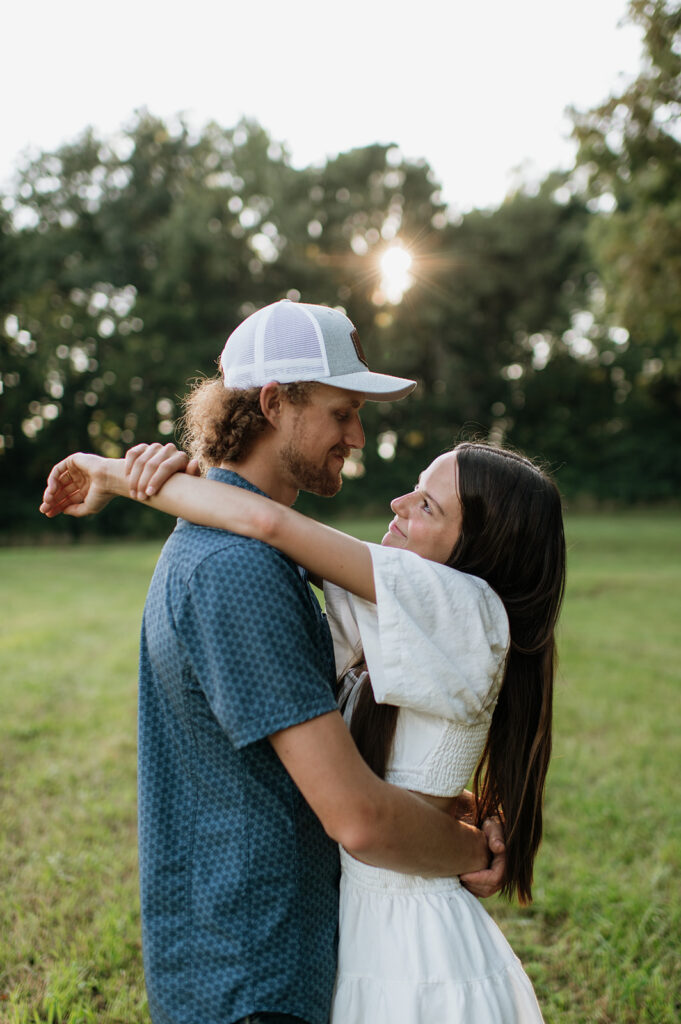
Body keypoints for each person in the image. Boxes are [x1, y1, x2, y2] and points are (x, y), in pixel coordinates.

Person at [40, 298, 508, 1024]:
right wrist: (469, 849)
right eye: (341, 412)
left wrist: (459, 808)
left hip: (250, 953)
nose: (355, 435)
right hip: (255, 973)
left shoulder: (245, 550)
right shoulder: (239, 570)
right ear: (273, 403)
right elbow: (355, 814)